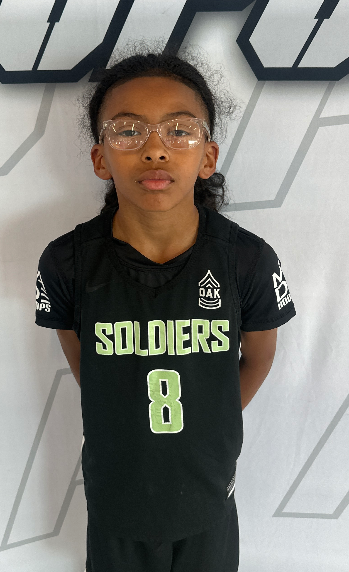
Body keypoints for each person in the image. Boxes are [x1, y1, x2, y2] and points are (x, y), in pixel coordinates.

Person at [35, 52, 296, 572]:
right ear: (100, 159)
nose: (155, 149)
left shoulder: (246, 259)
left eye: (179, 130)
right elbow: (85, 359)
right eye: (129, 131)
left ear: (207, 156)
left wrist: (209, 417)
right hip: (117, 492)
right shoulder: (67, 261)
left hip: (207, 492)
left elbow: (260, 357)